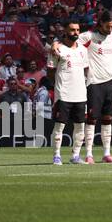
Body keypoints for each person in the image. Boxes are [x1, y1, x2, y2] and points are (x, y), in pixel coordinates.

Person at [80, 11, 112, 163]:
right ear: (100, 23)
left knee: (108, 118)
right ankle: (89, 154)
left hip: (111, 82)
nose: (110, 30)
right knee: (92, 118)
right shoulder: (88, 37)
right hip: (94, 83)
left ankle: (106, 153)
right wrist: (55, 44)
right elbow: (70, 43)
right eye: (107, 27)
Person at [48, 21, 88, 165]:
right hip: (63, 93)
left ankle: (75, 156)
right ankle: (56, 155)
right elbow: (50, 72)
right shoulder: (58, 49)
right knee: (60, 125)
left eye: (77, 30)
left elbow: (85, 70)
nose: (75, 32)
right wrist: (59, 85)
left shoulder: (83, 49)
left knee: (80, 126)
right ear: (65, 30)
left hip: (80, 94)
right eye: (72, 30)